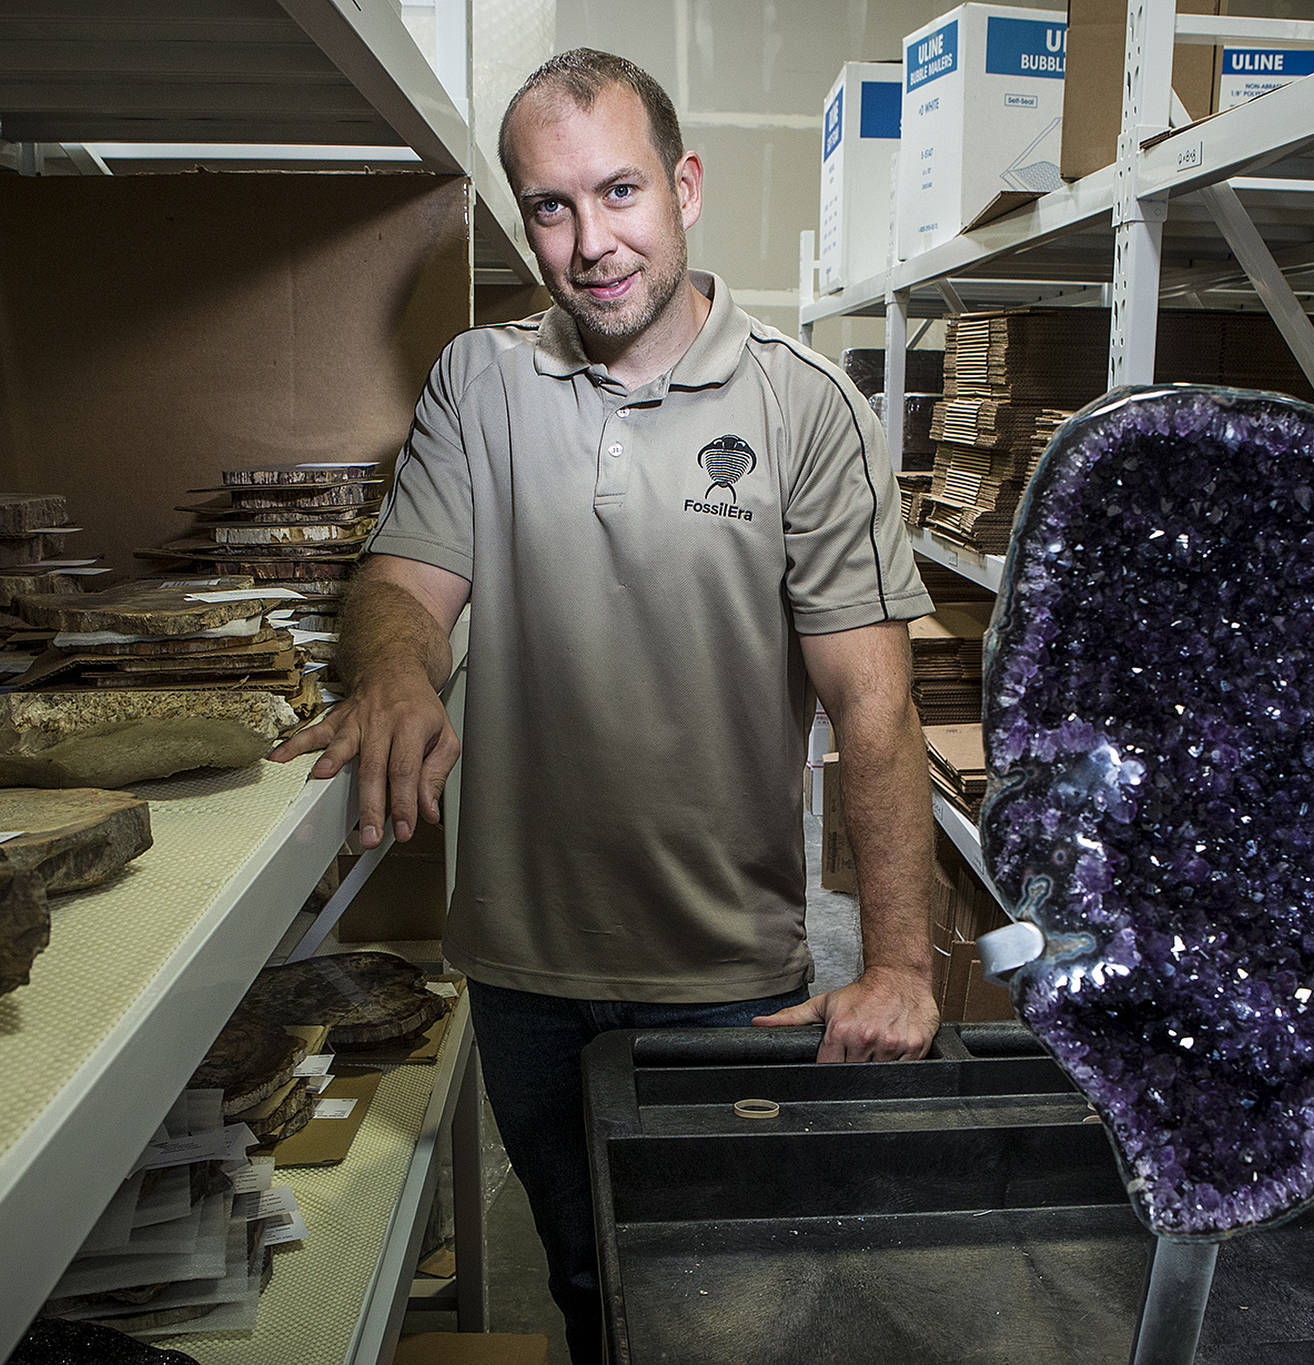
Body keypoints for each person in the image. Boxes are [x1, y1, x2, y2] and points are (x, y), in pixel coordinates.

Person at [272, 48, 940, 1363]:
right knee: (585, 1287)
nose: (590, 242)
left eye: (620, 191)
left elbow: (877, 705)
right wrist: (397, 665)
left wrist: (904, 964)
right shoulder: (481, 383)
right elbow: (402, 585)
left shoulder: (805, 411)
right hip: (524, 972)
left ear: (685, 186)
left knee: (722, 1309)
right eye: (552, 207)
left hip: (726, 978)